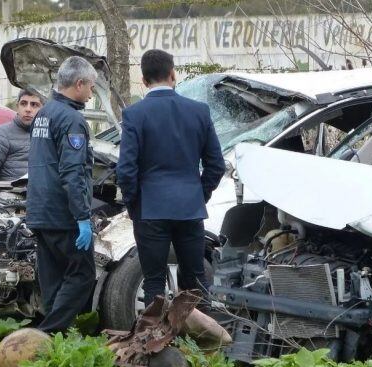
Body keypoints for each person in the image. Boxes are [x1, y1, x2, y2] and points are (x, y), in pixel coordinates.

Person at [116, 49, 226, 308]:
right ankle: (200, 341)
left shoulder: (134, 114)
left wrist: (134, 204)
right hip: (189, 208)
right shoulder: (199, 111)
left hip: (150, 209)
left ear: (143, 80)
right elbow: (216, 165)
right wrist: (200, 194)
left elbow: (126, 170)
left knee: (154, 281)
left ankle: (154, 343)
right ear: (172, 74)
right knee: (196, 282)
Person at [26, 56, 97, 333]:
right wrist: (82, 217)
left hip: (39, 211)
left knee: (54, 279)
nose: (92, 93)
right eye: (91, 87)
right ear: (78, 84)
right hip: (63, 214)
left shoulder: (44, 113)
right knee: (82, 275)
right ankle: (47, 333)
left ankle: (52, 344)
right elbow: (72, 172)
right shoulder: (72, 120)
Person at [0, 89, 43, 182]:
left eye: (34, 105)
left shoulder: (49, 135)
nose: (28, 109)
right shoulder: (0, 135)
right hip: (11, 194)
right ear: (17, 106)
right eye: (23, 103)